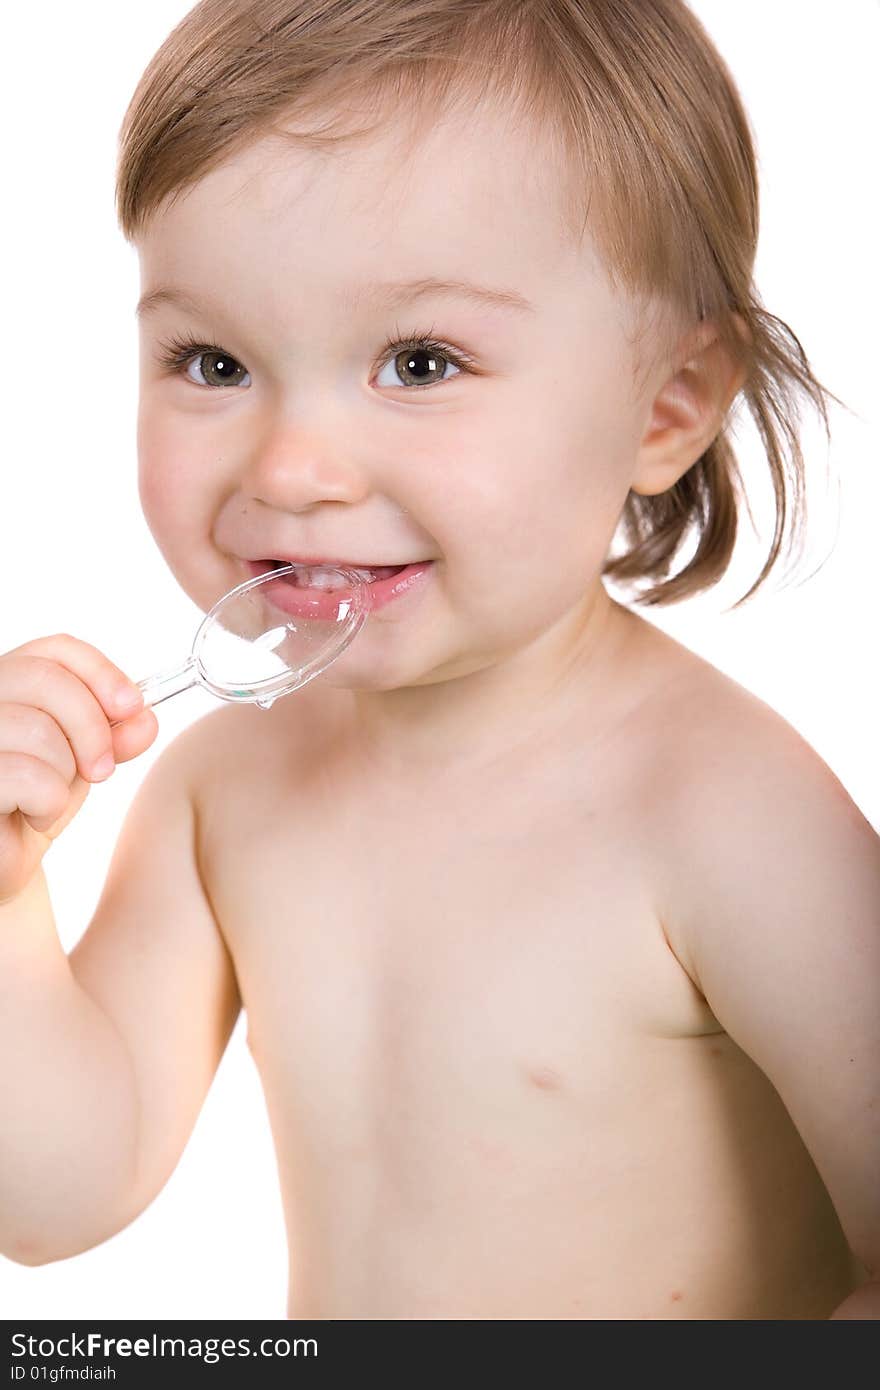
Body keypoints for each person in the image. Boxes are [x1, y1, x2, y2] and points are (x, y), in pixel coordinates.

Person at [1, 0, 877, 1319]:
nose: (291, 470)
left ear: (666, 408)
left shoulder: (726, 813)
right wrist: (9, 908)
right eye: (213, 359)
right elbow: (60, 1197)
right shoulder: (222, 782)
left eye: (420, 361)